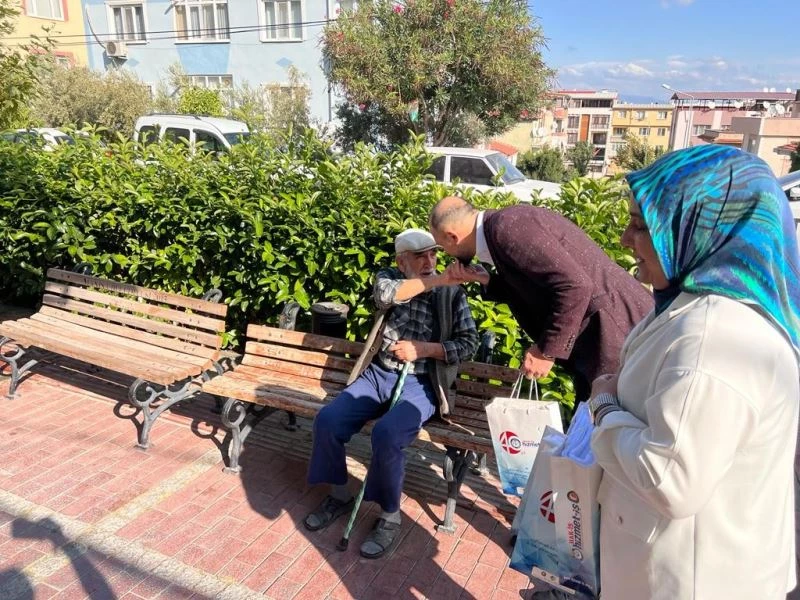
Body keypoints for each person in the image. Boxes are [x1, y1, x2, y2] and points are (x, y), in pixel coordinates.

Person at [588, 145, 800, 599]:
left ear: (703, 226)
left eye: (641, 225)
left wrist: (604, 408)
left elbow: (670, 480)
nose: (626, 239)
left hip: (691, 580)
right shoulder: (699, 305)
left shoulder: (715, 337)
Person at [304, 228, 479, 558]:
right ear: (402, 262)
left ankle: (389, 516)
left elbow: (468, 343)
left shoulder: (452, 294)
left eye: (433, 255)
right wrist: (436, 280)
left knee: (387, 434)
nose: (430, 261)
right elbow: (387, 295)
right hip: (379, 374)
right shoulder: (387, 278)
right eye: (420, 256)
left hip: (423, 383)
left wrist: (426, 349)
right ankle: (340, 495)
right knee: (328, 421)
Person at [428, 196, 653, 401]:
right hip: (610, 334)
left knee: (598, 431)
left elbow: (575, 286)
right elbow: (540, 286)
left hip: (611, 334)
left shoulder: (505, 229)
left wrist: (546, 351)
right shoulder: (504, 224)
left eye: (442, 247)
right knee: (590, 432)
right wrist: (487, 280)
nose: (446, 254)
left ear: (452, 237)